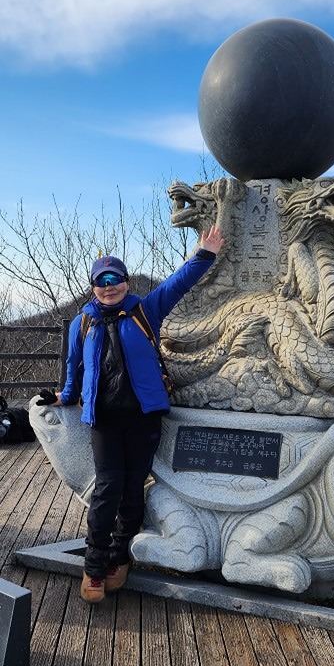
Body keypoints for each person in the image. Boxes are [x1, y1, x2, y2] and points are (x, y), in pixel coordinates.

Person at [54, 224, 224, 603]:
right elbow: (73, 365)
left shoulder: (145, 311)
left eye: (115, 279)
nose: (109, 286)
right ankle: (94, 567)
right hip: (104, 421)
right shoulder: (83, 323)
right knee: (107, 489)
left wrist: (205, 254)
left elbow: (178, 284)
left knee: (133, 490)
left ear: (126, 283)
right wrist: (65, 396)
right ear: (93, 286)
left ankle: (120, 559)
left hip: (143, 417)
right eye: (102, 281)